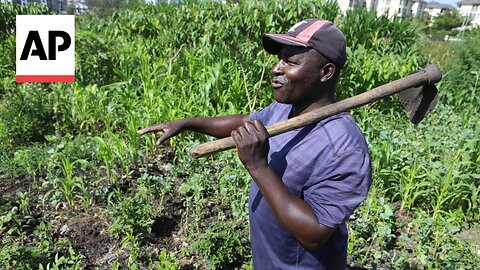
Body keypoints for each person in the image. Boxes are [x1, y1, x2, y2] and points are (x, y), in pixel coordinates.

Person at [138, 18, 372, 269]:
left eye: (291, 62)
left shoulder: (344, 148)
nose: (276, 69)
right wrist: (188, 123)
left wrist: (258, 166)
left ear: (326, 72)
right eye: (280, 59)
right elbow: (246, 123)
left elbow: (314, 233)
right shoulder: (286, 110)